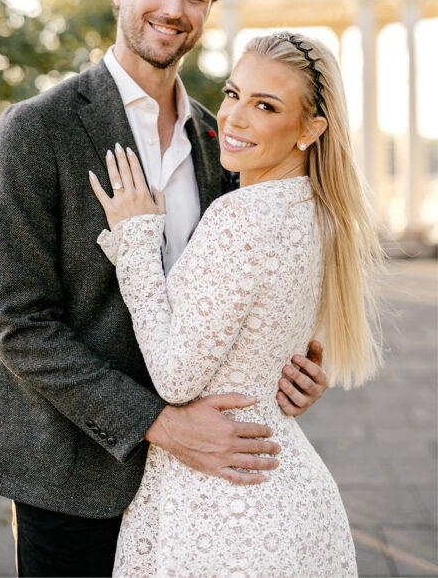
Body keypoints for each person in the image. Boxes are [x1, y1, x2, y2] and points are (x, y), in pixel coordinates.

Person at [0, 0, 331, 577]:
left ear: (210, 7)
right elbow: (20, 326)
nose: (173, 7)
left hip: (199, 488)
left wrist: (286, 368)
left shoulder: (228, 143)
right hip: (72, 473)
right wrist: (159, 421)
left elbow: (232, 289)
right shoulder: (36, 130)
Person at [90, 32, 377, 575]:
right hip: (290, 493)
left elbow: (176, 380)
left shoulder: (240, 217)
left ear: (311, 129)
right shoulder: (319, 211)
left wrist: (134, 243)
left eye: (265, 105)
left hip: (225, 509)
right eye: (232, 93)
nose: (235, 117)